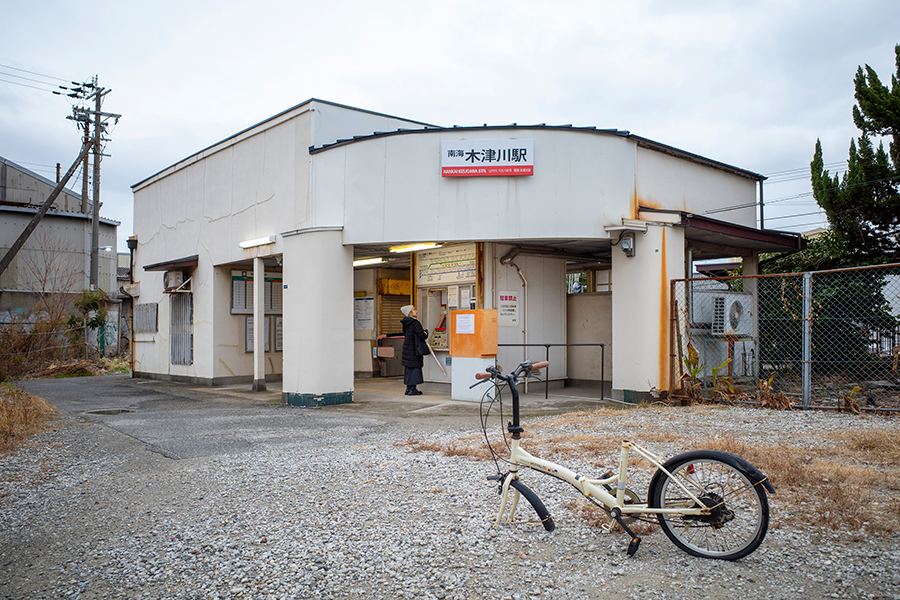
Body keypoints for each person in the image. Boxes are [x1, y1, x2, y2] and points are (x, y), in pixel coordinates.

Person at [400, 304, 428, 396]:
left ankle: (408, 388)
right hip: (414, 350)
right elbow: (422, 336)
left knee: (409, 369)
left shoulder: (406, 323)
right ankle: (413, 389)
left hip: (407, 349)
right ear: (410, 313)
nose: (416, 311)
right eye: (414, 310)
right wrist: (425, 331)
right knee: (415, 369)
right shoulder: (415, 323)